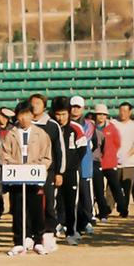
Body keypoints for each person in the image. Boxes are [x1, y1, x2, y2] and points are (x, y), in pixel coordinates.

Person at [0, 100, 53, 255]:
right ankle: (19, 240)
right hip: (16, 178)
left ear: (32, 115)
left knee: (36, 209)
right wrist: (14, 165)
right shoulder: (11, 134)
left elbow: (47, 156)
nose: (23, 118)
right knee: (17, 209)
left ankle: (38, 240)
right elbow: (4, 154)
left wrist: (37, 167)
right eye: (21, 115)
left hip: (34, 178)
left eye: (26, 114)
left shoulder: (41, 134)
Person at [51, 96, 87, 245]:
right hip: (54, 172)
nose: (61, 118)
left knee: (71, 202)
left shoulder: (75, 128)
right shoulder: (51, 127)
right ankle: (54, 229)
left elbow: (82, 149)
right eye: (58, 114)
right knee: (54, 201)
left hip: (71, 172)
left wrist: (71, 166)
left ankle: (71, 231)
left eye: (64, 114)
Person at [30, 94, 65, 233]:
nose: (35, 106)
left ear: (44, 106)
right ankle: (31, 231)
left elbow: (59, 150)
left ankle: (49, 230)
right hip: (27, 170)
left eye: (38, 103)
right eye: (32, 103)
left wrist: (59, 172)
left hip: (47, 171)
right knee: (30, 202)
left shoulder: (52, 125)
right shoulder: (22, 124)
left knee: (48, 202)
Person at [69, 96, 96, 234]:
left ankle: (86, 221)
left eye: (78, 107)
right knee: (69, 196)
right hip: (68, 166)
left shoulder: (89, 125)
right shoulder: (64, 124)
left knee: (85, 196)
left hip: (84, 165)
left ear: (83, 108)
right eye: (73, 106)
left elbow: (93, 142)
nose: (75, 109)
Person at [113, 102, 134, 218]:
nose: (122, 113)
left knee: (127, 187)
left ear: (130, 112)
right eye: (121, 110)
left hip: (130, 162)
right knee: (113, 186)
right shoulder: (113, 124)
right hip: (115, 162)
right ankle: (109, 208)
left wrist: (126, 155)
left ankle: (123, 209)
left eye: (125, 111)